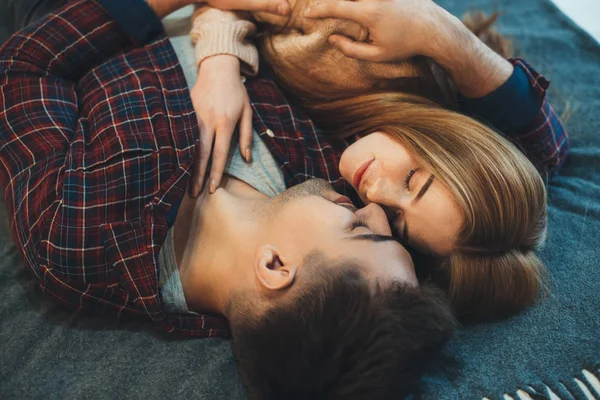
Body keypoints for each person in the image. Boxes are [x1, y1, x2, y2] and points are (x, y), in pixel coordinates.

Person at [0, 0, 456, 397]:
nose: (373, 207)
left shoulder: (77, 235)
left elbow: (24, 66)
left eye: (360, 229)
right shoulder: (321, 173)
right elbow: (511, 172)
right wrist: (457, 42)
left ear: (275, 266)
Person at [188, 0, 569, 319]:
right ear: (446, 141)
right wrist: (219, 61)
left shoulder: (331, 193)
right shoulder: (365, 52)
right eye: (412, 180)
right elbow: (548, 149)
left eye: (399, 222)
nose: (374, 194)